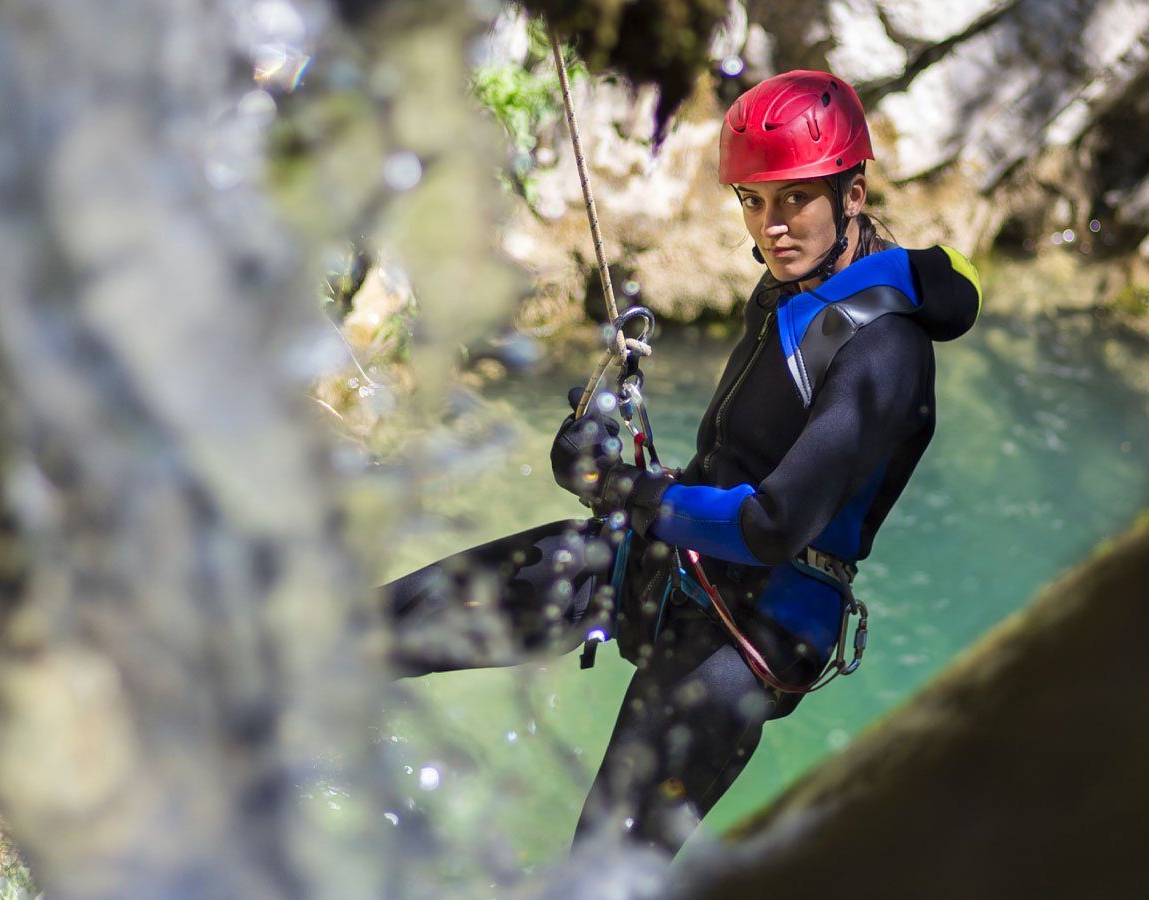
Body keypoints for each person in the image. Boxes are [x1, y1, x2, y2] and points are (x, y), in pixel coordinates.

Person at [385, 70, 982, 857]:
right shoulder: (791, 289)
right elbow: (732, 466)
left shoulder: (885, 349)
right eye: (754, 200)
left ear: (854, 193)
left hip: (748, 640)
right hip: (675, 564)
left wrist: (626, 489)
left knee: (599, 872)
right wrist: (614, 458)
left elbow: (773, 524)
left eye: (795, 197)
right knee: (390, 626)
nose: (770, 226)